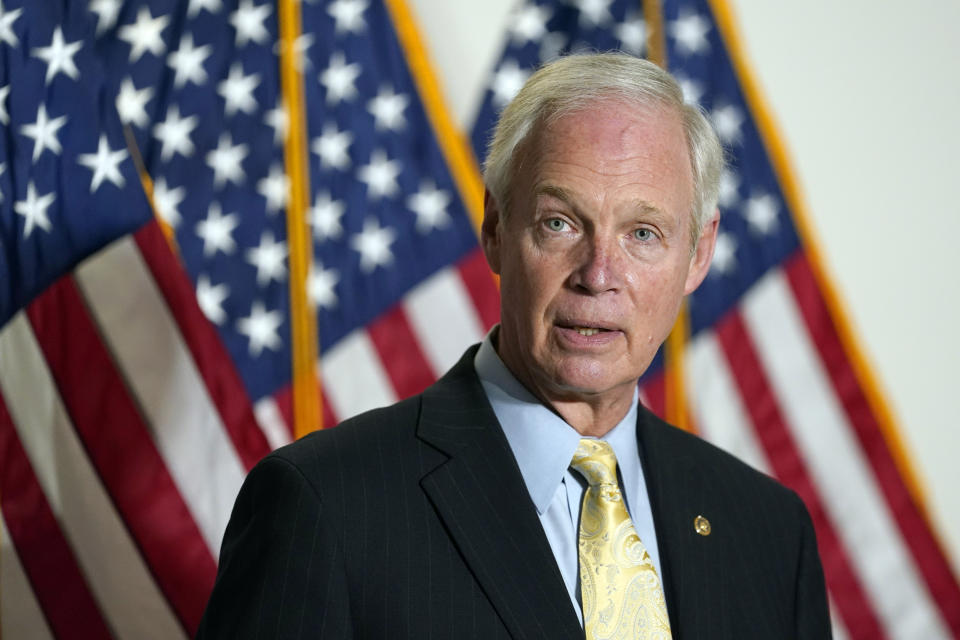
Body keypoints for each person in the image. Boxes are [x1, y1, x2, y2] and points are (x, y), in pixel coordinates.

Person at [197, 53, 831, 639]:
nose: (598, 273)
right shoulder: (325, 508)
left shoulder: (770, 534)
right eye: (560, 223)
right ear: (496, 228)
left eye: (643, 233)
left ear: (698, 253)